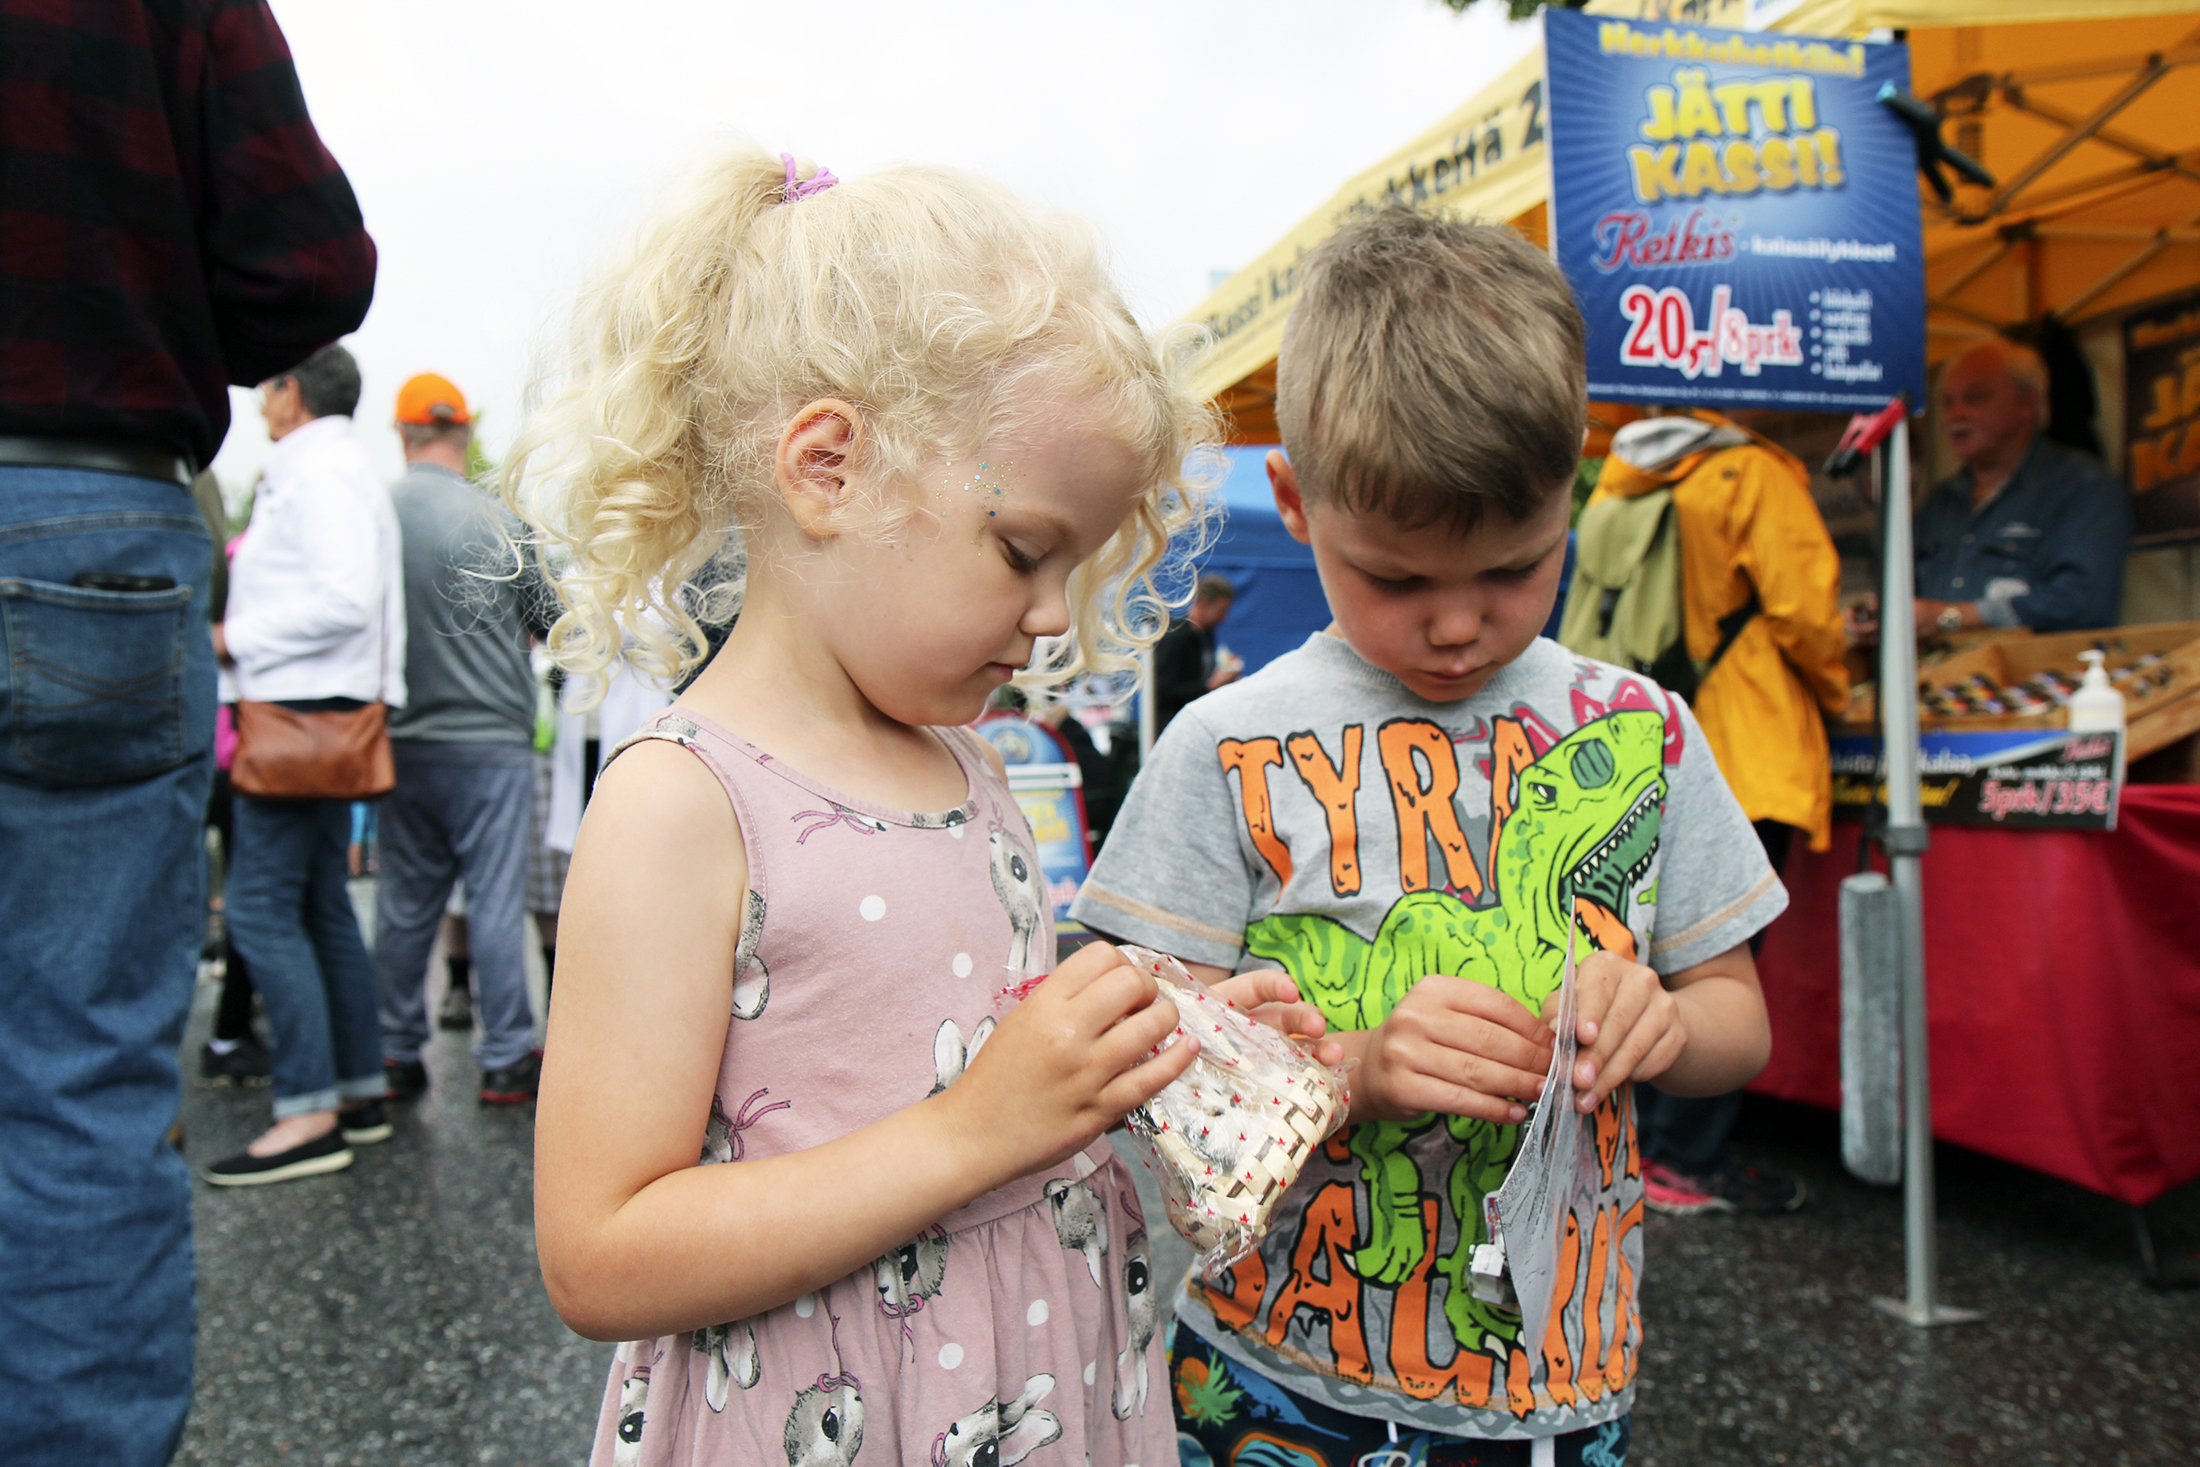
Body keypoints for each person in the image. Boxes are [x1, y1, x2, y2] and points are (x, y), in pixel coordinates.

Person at [517, 148, 1330, 1466]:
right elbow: (600, 1250)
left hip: (1039, 1376)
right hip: (830, 1405)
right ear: (827, 467)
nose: (1056, 613)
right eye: (1024, 550)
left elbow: (966, 1042)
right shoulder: (684, 803)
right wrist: (969, 1132)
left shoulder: (976, 768)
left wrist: (1141, 1042)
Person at [1071, 210, 1779, 1466]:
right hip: (1277, 1375)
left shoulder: (1644, 731)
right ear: (1293, 500)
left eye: (1517, 568)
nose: (1458, 626)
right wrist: (1347, 1068)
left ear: (1579, 485)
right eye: (1397, 580)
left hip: (1561, 1391)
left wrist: (1666, 1024)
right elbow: (1136, 1066)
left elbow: (1737, 1018)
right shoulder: (1222, 746)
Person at [0, 2, 374, 1456]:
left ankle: (329, 1090)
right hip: (86, 496)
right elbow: (311, 263)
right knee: (84, 1072)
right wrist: (134, 271)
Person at [1584, 410, 1848, 1216]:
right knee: (1721, 965)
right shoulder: (1752, 472)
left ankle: (1639, 1143)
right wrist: (1837, 690)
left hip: (1633, 750)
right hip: (1747, 737)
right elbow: (1809, 612)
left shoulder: (1617, 483)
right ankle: (1687, 1161)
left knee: (1645, 957)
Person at [208, 343, 405, 1184]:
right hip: (325, 710)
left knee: (256, 907)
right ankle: (355, 1092)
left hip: (297, 711)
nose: (257, 402)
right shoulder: (336, 468)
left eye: (265, 386)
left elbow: (343, 597)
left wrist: (232, 638)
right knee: (321, 902)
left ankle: (308, 1110)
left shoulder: (315, 473)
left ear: (292, 393)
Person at [373, 373, 553, 1105]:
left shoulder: (377, 514)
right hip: (492, 744)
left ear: (402, 433)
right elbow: (551, 617)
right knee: (494, 898)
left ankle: (391, 1050)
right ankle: (506, 1053)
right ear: (466, 434)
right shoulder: (501, 516)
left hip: (403, 738)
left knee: (405, 900)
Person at [1910, 339, 2133, 637]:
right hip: (1941, 676)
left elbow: (2084, 601)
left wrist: (1952, 617)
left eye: (1976, 398)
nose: (1956, 414)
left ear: (2027, 403)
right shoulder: (1940, 502)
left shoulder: (2083, 486)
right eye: (1948, 403)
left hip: (2042, 676)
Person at [1151, 571, 1238, 730]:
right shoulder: (1174, 639)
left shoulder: (1207, 635)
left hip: (1196, 723)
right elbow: (1162, 691)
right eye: (1220, 611)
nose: (1224, 618)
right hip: (1172, 726)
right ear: (1202, 603)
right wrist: (1210, 685)